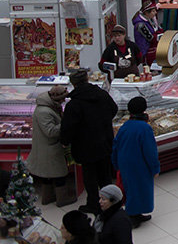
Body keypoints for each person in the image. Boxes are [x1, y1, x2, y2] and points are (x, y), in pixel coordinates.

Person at [61, 69, 118, 213]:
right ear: (87, 79)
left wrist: (65, 141)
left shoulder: (73, 105)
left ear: (73, 84)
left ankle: (93, 204)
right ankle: (110, 202)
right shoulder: (102, 95)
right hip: (105, 142)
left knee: (90, 178)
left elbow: (68, 127)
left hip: (85, 147)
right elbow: (114, 109)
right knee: (105, 175)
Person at [110, 96, 159, 227]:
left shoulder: (125, 126)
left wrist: (115, 163)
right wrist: (155, 168)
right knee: (140, 190)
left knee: (130, 189)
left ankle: (136, 214)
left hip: (125, 164)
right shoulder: (145, 128)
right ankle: (132, 217)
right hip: (140, 165)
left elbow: (115, 146)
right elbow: (150, 151)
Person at [28, 85, 71, 207]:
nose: (63, 101)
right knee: (59, 174)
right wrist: (66, 123)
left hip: (46, 146)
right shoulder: (44, 111)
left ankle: (48, 197)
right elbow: (50, 132)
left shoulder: (49, 106)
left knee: (47, 174)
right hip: (49, 147)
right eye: (62, 99)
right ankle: (62, 199)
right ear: (57, 99)